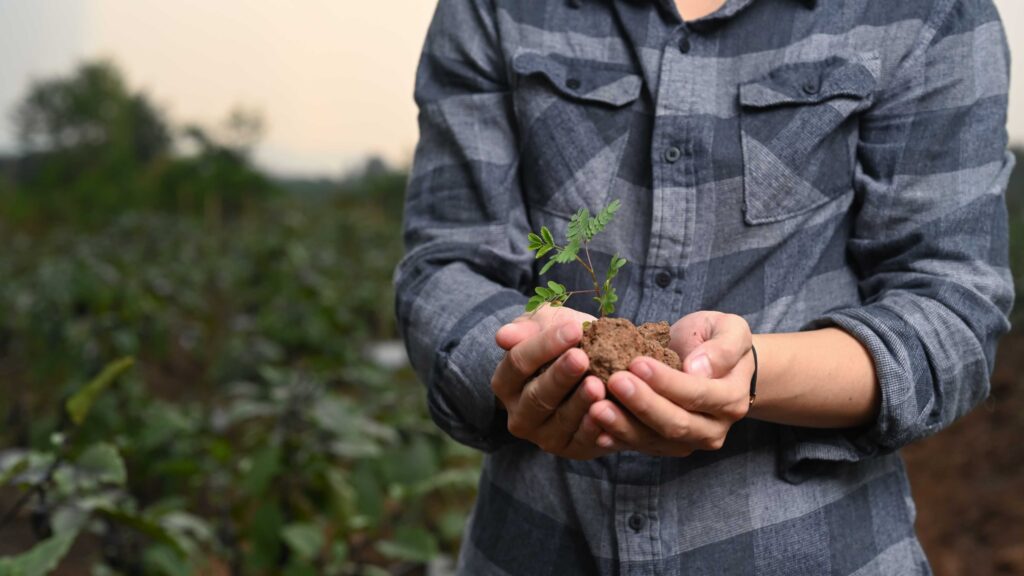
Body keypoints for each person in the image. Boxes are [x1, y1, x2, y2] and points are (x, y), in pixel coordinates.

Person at [395, 0, 1014, 573]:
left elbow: (952, 306)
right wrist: (523, 362)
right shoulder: (494, 9)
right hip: (534, 543)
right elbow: (445, 263)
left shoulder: (928, 12)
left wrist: (748, 373)